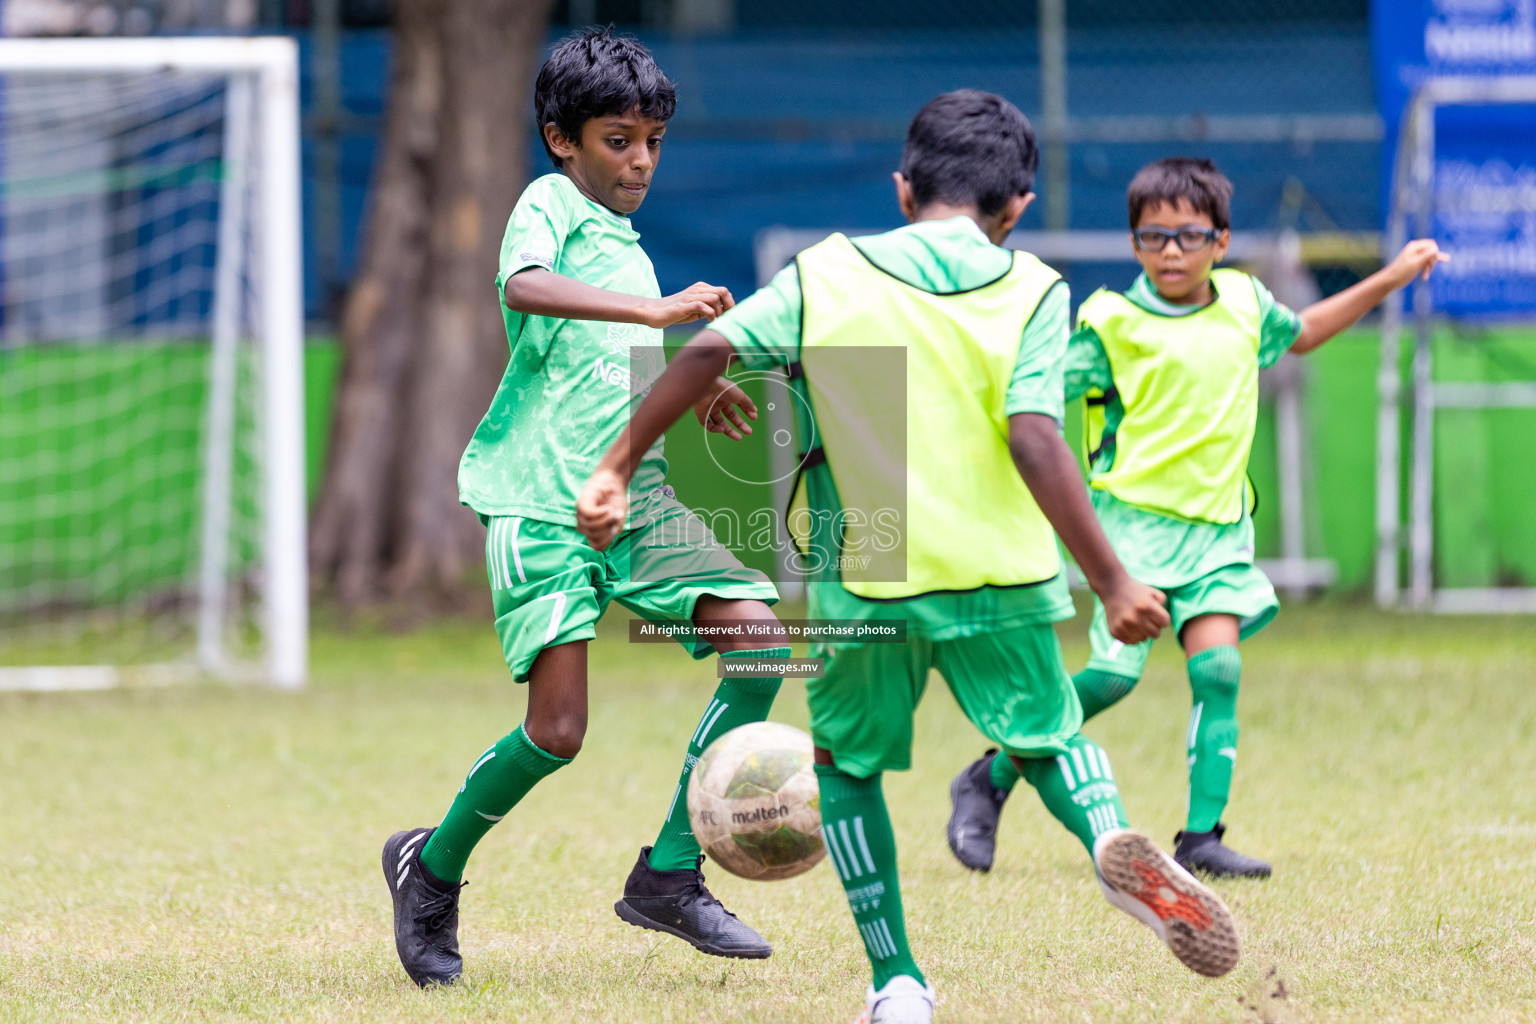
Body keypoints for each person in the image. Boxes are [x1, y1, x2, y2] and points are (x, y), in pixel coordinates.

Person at [577, 92, 1242, 1024]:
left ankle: (896, 983)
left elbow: (711, 348)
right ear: (1015, 207)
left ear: (903, 188)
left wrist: (618, 462)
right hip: (1003, 571)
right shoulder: (1035, 289)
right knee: (1048, 735)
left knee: (848, 770)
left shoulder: (830, 271)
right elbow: (1035, 436)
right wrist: (1112, 577)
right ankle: (1107, 839)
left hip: (871, 575)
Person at [383, 27, 792, 988]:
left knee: (766, 638)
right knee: (558, 734)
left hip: (636, 498)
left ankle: (669, 872)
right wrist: (654, 317)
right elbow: (522, 286)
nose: (640, 159)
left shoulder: (628, 248)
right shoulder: (548, 205)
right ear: (562, 138)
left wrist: (696, 386)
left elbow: (609, 370)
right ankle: (428, 866)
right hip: (539, 501)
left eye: (652, 139)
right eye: (618, 138)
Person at [947, 157, 1447, 880]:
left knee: (1217, 670)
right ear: (1133, 244)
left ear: (1221, 239)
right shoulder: (1110, 321)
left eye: (1188, 235)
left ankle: (1201, 838)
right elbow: (1034, 401)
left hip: (1218, 538)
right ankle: (991, 774)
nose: (1171, 251)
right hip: (1134, 535)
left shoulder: (1246, 302)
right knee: (1113, 680)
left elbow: (1301, 332)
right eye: (1153, 237)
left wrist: (1392, 275)